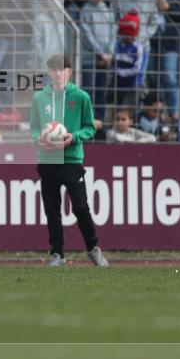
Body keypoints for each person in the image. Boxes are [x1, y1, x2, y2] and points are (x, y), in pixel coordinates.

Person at [30, 54, 107, 267]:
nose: (57, 73)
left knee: (81, 207)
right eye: (53, 70)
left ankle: (93, 249)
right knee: (52, 210)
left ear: (69, 72)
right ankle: (57, 254)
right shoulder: (40, 98)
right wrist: (39, 139)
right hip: (47, 160)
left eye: (61, 69)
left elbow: (90, 127)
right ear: (49, 72)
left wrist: (74, 136)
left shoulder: (81, 97)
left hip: (72, 159)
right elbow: (35, 127)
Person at [144, 0, 180, 118]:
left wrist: (168, 7)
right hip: (149, 37)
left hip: (169, 39)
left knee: (169, 76)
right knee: (152, 77)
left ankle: (174, 113)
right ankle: (157, 112)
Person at [112, 0, 158, 88]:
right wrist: (121, 33)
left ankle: (137, 107)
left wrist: (144, 35)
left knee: (140, 78)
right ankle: (122, 107)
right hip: (123, 45)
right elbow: (112, 19)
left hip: (143, 45)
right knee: (122, 78)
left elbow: (153, 21)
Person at [79, 0, 115, 121]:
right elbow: (87, 35)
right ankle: (87, 119)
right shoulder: (85, 11)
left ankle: (99, 120)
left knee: (102, 90)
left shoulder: (109, 11)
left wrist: (109, 53)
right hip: (90, 58)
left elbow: (113, 32)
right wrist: (100, 53)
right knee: (89, 89)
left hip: (105, 58)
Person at [113, 11, 144, 108]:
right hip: (117, 83)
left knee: (130, 107)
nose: (128, 38)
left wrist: (121, 72)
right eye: (126, 35)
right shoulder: (116, 45)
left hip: (131, 83)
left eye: (131, 35)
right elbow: (112, 63)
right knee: (118, 106)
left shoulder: (138, 48)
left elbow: (137, 68)